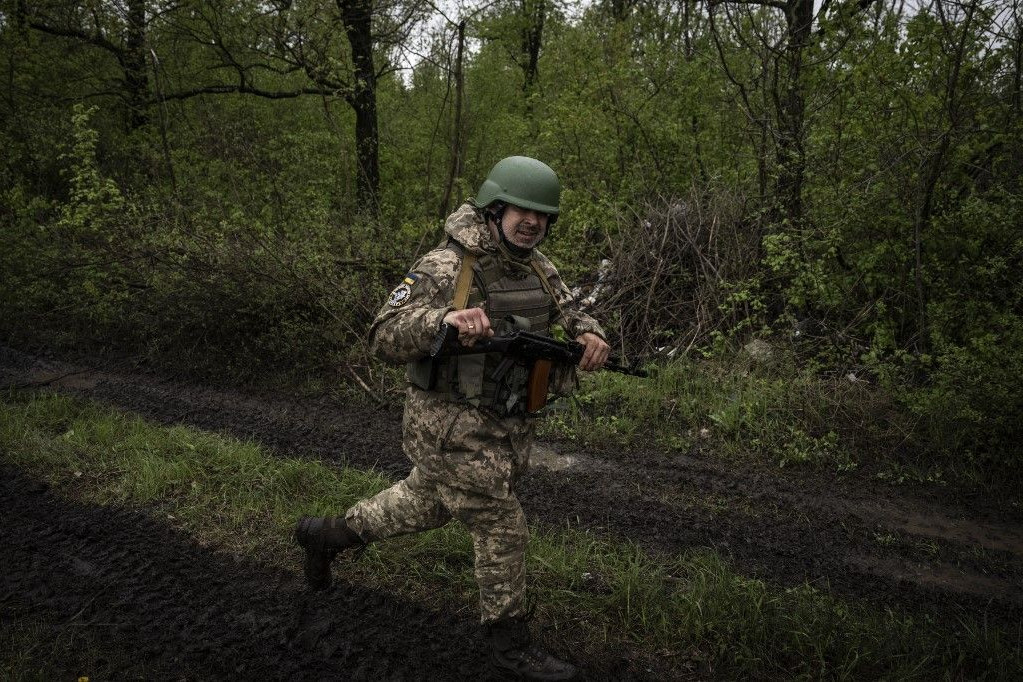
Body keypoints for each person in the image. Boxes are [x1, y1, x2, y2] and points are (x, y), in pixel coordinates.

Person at [295, 156, 609, 681]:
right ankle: (509, 644)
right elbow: (383, 333)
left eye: (542, 215)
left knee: (421, 504)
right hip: (448, 427)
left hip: (503, 424)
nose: (532, 222)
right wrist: (442, 320)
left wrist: (590, 333)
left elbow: (572, 308)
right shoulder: (445, 266)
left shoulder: (538, 267)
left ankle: (325, 537)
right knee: (500, 522)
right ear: (495, 208)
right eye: (522, 210)